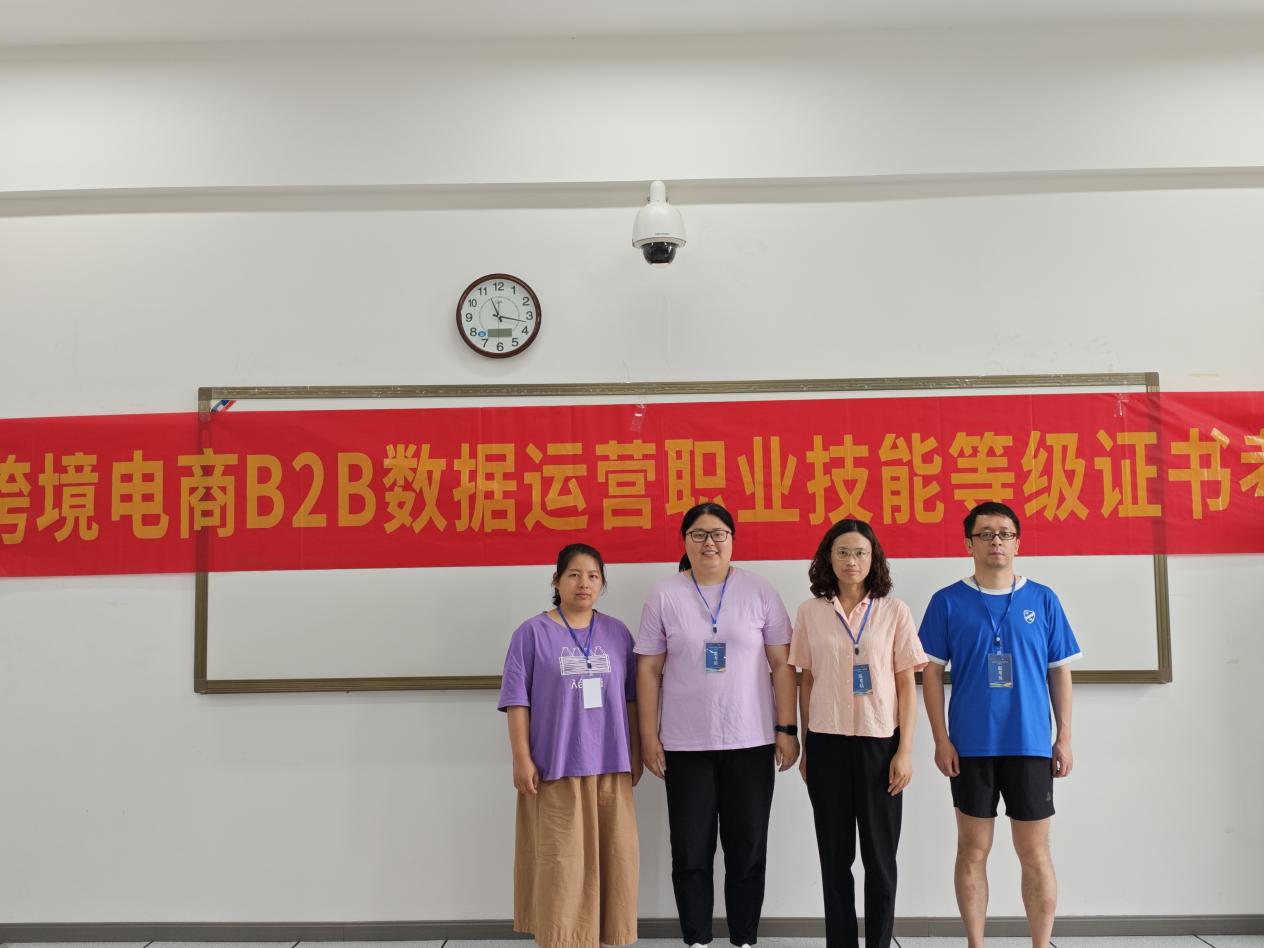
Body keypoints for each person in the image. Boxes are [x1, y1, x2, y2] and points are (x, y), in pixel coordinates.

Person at [635, 502, 799, 948]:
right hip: (685, 744)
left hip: (751, 741)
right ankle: (697, 939)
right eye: (699, 534)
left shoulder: (759, 591)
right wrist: (648, 735)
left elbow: (783, 665)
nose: (709, 542)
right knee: (691, 851)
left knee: (747, 849)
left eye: (718, 534)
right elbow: (648, 670)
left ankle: (744, 938)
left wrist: (787, 729)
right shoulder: (664, 595)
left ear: (732, 540)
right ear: (685, 541)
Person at [919, 501, 1081, 948]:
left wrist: (1064, 737)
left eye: (1005, 534)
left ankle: (1041, 944)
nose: (996, 541)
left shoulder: (1043, 599)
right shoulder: (947, 601)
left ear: (1017, 543)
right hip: (969, 747)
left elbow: (1059, 671)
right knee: (972, 850)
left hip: (1030, 744)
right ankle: (976, 943)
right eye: (986, 533)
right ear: (968, 543)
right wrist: (940, 739)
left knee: (1035, 852)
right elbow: (930, 672)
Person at [790, 518, 927, 948]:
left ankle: (879, 943)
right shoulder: (810, 612)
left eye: (860, 553)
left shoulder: (894, 611)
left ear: (874, 559)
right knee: (835, 859)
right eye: (843, 552)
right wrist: (807, 747)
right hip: (827, 744)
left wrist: (905, 751)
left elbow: (906, 684)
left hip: (879, 745)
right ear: (828, 558)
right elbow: (807, 682)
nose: (852, 560)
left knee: (880, 859)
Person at [498, 543, 642, 948]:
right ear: (556, 580)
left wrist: (635, 751)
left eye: (593, 576)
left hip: (610, 766)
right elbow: (517, 701)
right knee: (562, 866)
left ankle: (605, 937)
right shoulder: (531, 633)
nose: (584, 583)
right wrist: (521, 758)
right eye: (574, 574)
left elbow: (632, 699)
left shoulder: (617, 633)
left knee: (616, 861)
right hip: (555, 768)